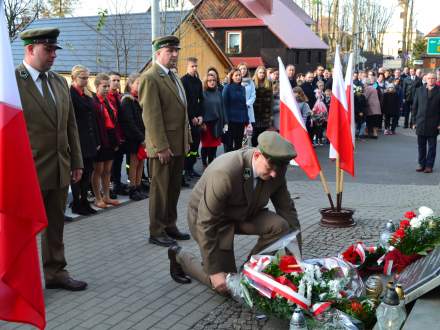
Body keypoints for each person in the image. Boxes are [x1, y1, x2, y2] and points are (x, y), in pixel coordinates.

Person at [167, 131, 301, 291]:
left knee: (280, 226)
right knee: (224, 285)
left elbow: (288, 213)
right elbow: (206, 222)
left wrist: (297, 261)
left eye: (278, 170)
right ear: (257, 155)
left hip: (243, 213)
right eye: (270, 167)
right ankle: (180, 257)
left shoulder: (276, 171)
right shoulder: (225, 172)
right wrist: (215, 271)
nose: (274, 174)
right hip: (211, 220)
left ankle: (251, 271)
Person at [16, 27, 86, 291]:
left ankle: (56, 271)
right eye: (48, 50)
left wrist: (77, 161)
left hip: (59, 167)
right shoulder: (11, 82)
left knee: (55, 224)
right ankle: (22, 280)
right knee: (23, 229)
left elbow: (71, 126)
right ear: (30, 49)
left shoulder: (58, 82)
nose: (53, 55)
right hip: (27, 169)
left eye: (55, 50)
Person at [139, 35, 191, 247]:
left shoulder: (174, 77)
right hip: (163, 146)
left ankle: (170, 224)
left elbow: (182, 111)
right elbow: (151, 116)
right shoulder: (151, 77)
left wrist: (186, 139)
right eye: (170, 51)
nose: (175, 55)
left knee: (173, 188)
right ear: (158, 53)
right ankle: (156, 230)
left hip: (177, 144)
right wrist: (161, 146)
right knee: (160, 190)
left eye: (176, 50)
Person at [69, 65, 100, 215]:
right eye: (83, 78)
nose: (86, 80)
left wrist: (97, 140)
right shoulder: (70, 94)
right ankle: (76, 202)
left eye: (87, 77)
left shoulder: (88, 95)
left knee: (88, 171)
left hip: (89, 140)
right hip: (78, 139)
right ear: (74, 78)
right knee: (77, 173)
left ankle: (84, 201)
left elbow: (93, 119)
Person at [92, 74, 121, 209]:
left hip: (110, 138)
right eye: (104, 86)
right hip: (100, 138)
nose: (107, 88)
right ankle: (97, 198)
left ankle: (106, 196)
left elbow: (114, 121)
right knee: (98, 169)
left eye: (108, 86)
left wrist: (115, 140)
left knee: (108, 170)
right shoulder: (94, 102)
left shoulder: (108, 101)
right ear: (97, 86)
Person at [119, 73, 147, 201]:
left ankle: (138, 186)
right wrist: (141, 138)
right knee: (134, 163)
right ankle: (132, 189)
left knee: (141, 162)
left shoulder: (138, 99)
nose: (140, 85)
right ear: (130, 84)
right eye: (137, 83)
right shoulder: (127, 101)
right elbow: (129, 122)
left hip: (141, 137)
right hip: (133, 139)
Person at [412, 73, 440, 173]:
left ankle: (429, 165)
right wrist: (414, 121)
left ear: (436, 79)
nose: (431, 80)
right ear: (426, 79)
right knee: (421, 146)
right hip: (420, 122)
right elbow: (415, 107)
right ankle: (421, 164)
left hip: (434, 123)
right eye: (429, 78)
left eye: (433, 78)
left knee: (432, 147)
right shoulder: (419, 90)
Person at [181, 57, 204, 180]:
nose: (194, 68)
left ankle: (191, 167)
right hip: (188, 119)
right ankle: (185, 169)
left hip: (197, 119)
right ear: (187, 66)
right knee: (188, 146)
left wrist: (200, 116)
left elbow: (201, 100)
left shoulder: (198, 82)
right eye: (192, 66)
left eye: (196, 66)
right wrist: (192, 117)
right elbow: (185, 102)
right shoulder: (183, 81)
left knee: (195, 146)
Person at [200, 73, 228, 167]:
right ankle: (204, 163)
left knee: (214, 146)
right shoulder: (202, 93)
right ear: (206, 82)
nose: (212, 82)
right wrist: (202, 123)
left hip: (217, 123)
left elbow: (222, 108)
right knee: (206, 146)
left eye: (214, 80)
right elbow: (199, 108)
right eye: (209, 81)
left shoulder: (218, 93)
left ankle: (211, 164)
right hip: (206, 124)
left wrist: (225, 122)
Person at [107, 71, 128, 196]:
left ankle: (117, 183)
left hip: (121, 135)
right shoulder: (108, 97)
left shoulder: (119, 97)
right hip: (112, 136)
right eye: (113, 80)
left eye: (118, 80)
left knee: (119, 161)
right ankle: (111, 186)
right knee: (111, 163)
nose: (116, 82)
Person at [222, 68, 248, 152]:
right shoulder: (227, 88)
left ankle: (237, 163)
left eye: (239, 75)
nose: (238, 77)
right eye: (236, 75)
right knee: (228, 145)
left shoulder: (243, 88)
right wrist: (225, 121)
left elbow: (244, 105)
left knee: (238, 144)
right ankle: (228, 163)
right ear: (232, 77)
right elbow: (224, 105)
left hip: (241, 121)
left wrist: (246, 119)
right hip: (230, 121)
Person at [252, 65, 273, 146]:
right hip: (255, 113)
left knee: (264, 135)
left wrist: (270, 114)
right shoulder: (253, 83)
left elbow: (271, 99)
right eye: (260, 72)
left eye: (263, 73)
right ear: (257, 73)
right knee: (255, 135)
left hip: (265, 114)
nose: (262, 74)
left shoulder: (269, 83)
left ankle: (262, 152)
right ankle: (254, 151)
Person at [238, 63, 256, 135]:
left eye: (244, 69)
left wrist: (247, 104)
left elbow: (253, 95)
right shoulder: (236, 81)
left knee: (248, 134)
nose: (243, 70)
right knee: (239, 133)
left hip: (248, 109)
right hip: (238, 109)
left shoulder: (251, 82)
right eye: (241, 69)